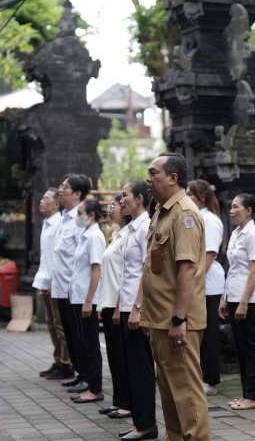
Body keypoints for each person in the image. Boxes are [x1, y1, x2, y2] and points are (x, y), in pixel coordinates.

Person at [141, 152, 208, 441]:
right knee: (169, 393)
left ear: (173, 178)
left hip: (177, 320)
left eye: (153, 173)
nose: (148, 178)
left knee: (187, 394)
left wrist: (179, 318)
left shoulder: (185, 213)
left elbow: (188, 269)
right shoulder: (161, 210)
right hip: (160, 319)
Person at [116, 180, 157, 440]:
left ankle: (147, 425)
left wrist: (137, 308)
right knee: (130, 367)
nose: (121, 200)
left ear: (140, 198)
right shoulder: (132, 228)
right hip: (126, 304)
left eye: (125, 195)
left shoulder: (146, 228)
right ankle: (139, 422)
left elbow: (147, 270)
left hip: (137, 307)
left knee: (141, 368)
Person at [219, 193, 255, 411]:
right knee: (241, 348)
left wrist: (244, 302)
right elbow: (233, 270)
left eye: (236, 207)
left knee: (251, 347)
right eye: (231, 206)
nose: (231, 210)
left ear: (248, 211)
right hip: (234, 295)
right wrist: (224, 297)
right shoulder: (237, 233)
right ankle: (247, 393)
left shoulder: (253, 235)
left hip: (249, 299)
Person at [186, 178, 226, 396]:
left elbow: (208, 255)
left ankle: (211, 379)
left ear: (201, 197)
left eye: (191, 195)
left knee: (209, 332)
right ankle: (200, 374)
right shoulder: (196, 217)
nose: (187, 198)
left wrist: (193, 280)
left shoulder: (209, 220)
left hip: (208, 284)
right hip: (198, 282)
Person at [68, 199, 106, 404]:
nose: (77, 217)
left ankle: (95, 388)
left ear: (91, 215)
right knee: (83, 342)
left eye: (80, 213)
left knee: (91, 344)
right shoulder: (85, 236)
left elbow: (96, 269)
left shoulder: (95, 237)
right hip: (78, 296)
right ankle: (90, 385)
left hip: (87, 299)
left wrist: (89, 300)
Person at [53, 174, 89, 394]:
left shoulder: (80, 219)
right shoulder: (64, 217)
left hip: (74, 289)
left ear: (77, 193)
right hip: (61, 288)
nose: (60, 190)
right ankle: (79, 373)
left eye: (64, 187)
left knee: (80, 335)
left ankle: (86, 375)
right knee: (70, 334)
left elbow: (82, 257)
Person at [33, 188, 74, 380]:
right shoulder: (46, 223)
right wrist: (43, 279)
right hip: (46, 279)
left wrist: (53, 281)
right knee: (50, 323)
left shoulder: (60, 223)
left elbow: (60, 256)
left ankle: (67, 363)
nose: (41, 201)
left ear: (56, 204)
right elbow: (46, 256)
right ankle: (58, 360)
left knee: (60, 324)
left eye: (46, 199)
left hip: (56, 282)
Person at [97, 193, 131, 418]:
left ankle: (127, 403)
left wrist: (118, 307)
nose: (110, 210)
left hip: (120, 304)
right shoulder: (117, 234)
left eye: (115, 206)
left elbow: (127, 275)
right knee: (114, 357)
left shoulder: (130, 235)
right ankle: (118, 399)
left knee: (123, 357)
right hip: (109, 303)